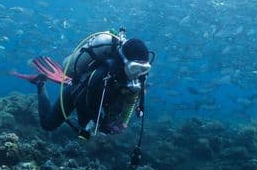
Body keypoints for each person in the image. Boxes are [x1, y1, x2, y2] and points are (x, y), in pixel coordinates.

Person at [12, 29, 152, 140]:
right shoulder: (102, 75)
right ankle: (40, 83)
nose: (138, 73)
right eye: (135, 68)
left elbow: (132, 99)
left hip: (102, 98)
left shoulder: (138, 77)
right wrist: (95, 125)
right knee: (48, 125)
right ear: (123, 61)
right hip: (77, 91)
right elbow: (87, 103)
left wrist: (123, 122)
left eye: (144, 69)